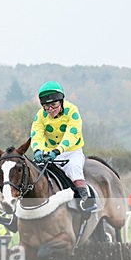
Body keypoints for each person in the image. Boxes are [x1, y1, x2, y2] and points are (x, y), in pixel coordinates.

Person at [31, 81, 94, 212]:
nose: (50, 109)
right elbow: (37, 134)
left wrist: (58, 151)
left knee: (73, 168)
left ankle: (85, 199)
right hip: (48, 153)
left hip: (71, 151)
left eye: (54, 105)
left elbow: (71, 135)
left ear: (61, 101)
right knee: (30, 172)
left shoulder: (72, 110)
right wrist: (37, 150)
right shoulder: (40, 115)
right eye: (46, 106)